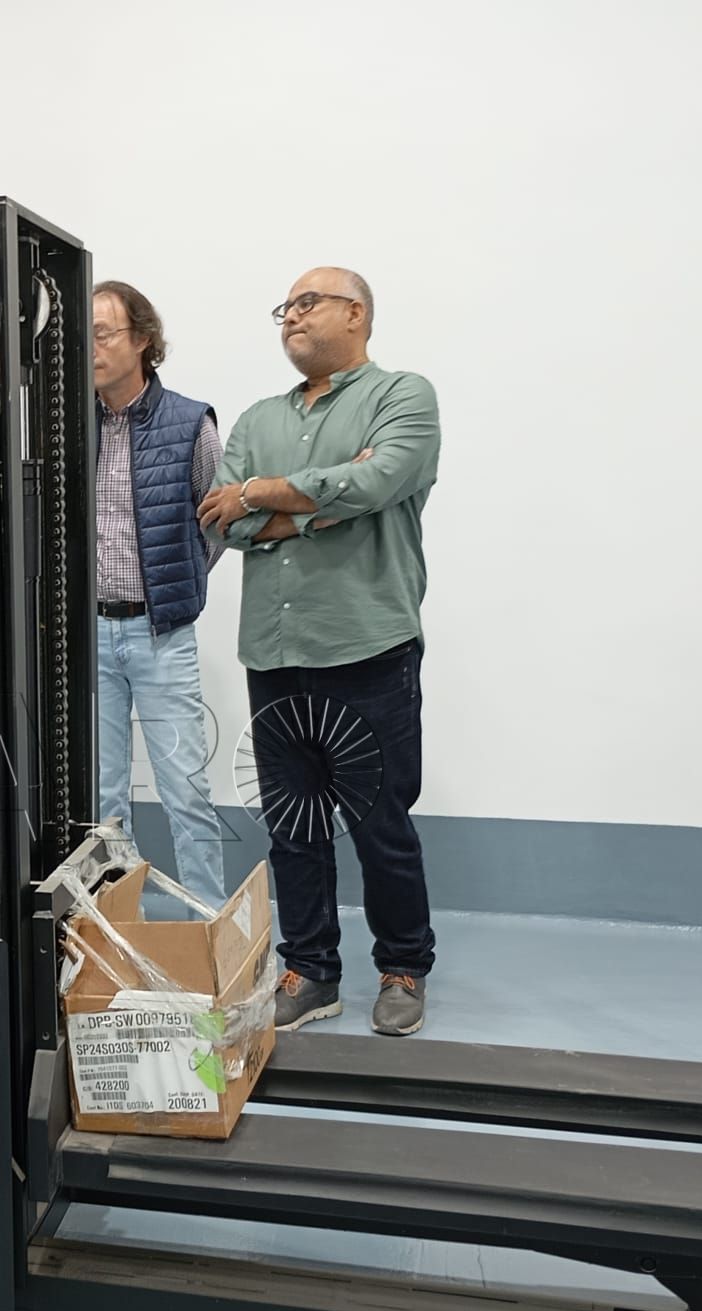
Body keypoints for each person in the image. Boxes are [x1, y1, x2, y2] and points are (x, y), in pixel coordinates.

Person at [197, 268, 441, 1037]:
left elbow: (378, 480)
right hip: (275, 653)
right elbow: (221, 518)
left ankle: (403, 967)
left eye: (308, 304)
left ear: (356, 312)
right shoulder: (258, 418)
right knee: (292, 826)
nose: (291, 318)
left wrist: (262, 493)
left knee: (380, 823)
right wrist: (318, 507)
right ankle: (311, 970)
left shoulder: (403, 396)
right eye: (285, 309)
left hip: (367, 647)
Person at [90, 280, 230, 911]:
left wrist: (184, 582)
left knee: (185, 791)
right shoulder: (67, 427)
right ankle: (116, 930)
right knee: (102, 801)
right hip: (89, 637)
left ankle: (209, 928)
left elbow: (219, 522)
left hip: (161, 634)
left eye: (103, 334)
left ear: (142, 340)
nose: (91, 348)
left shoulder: (190, 423)